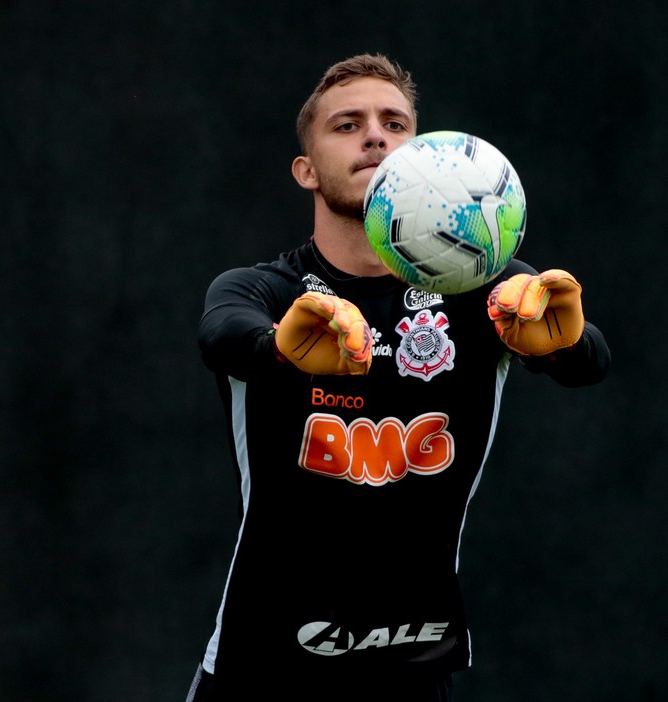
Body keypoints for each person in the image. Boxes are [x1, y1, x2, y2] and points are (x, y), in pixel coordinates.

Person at [185, 53, 610, 701]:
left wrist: (563, 346)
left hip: (413, 670)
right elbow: (221, 335)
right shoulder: (264, 290)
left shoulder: (484, 288)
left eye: (395, 123)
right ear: (306, 170)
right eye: (347, 125)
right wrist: (280, 350)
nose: (375, 137)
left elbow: (588, 359)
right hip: (261, 669)